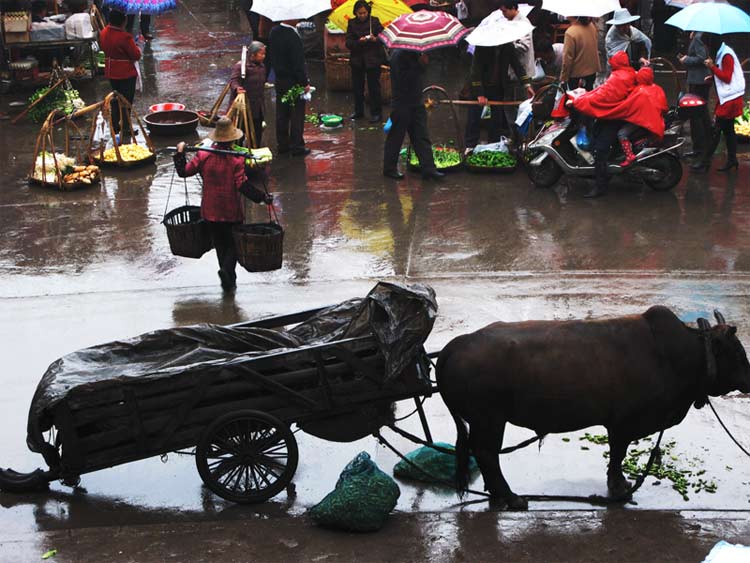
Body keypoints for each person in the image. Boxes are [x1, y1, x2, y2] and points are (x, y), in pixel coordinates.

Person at [173, 118, 272, 291]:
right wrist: (263, 197)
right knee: (233, 243)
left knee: (220, 244)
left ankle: (227, 279)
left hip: (210, 211)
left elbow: (184, 171)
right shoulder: (236, 161)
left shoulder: (203, 155)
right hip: (231, 211)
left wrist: (180, 153)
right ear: (233, 139)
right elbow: (242, 185)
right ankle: (227, 272)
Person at [571, 51, 637, 197]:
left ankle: (600, 186)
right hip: (617, 114)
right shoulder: (627, 73)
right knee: (595, 134)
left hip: (615, 116)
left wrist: (581, 101)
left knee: (600, 150)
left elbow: (604, 95)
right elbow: (603, 90)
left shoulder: (619, 77)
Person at [383, 49, 443, 180]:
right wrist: (420, 64)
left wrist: (421, 62)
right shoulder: (398, 56)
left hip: (416, 101)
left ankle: (429, 169)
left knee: (421, 136)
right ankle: (389, 169)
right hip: (402, 103)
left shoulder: (414, 53)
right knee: (396, 137)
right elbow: (404, 79)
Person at [465, 42, 533, 151]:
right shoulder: (482, 46)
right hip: (480, 85)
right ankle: (470, 146)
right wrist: (480, 94)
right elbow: (475, 71)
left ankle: (494, 145)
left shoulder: (508, 46)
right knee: (474, 118)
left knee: (496, 119)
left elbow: (517, 65)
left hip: (497, 87)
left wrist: (527, 85)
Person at [692, 39, 746, 173]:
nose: (705, 48)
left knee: (716, 131)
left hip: (730, 98)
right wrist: (713, 77)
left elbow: (727, 77)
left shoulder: (726, 55)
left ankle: (704, 162)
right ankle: (732, 160)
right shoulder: (721, 53)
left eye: (706, 45)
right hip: (727, 97)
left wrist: (712, 67)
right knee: (728, 130)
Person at [609, 67, 668, 167]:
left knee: (621, 133)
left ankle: (629, 156)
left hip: (643, 121)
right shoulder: (657, 88)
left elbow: (627, 107)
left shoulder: (639, 91)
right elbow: (664, 107)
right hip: (655, 120)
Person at [268, 19, 311, 156]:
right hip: (293, 82)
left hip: (279, 80)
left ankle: (283, 144)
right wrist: (304, 83)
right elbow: (298, 64)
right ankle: (297, 146)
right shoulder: (293, 36)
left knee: (282, 113)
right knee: (296, 114)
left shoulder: (273, 32)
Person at [99, 9, 141, 136]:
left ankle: (115, 125)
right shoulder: (125, 37)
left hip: (111, 71)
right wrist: (137, 45)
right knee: (126, 101)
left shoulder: (104, 32)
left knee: (116, 99)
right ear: (123, 21)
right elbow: (136, 55)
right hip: (125, 73)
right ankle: (127, 127)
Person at [498, 0, 535, 139]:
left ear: (513, 8)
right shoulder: (509, 22)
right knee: (509, 104)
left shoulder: (523, 24)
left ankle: (520, 136)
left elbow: (524, 46)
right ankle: (514, 134)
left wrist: (508, 44)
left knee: (520, 106)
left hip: (521, 71)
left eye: (505, 11)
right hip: (512, 72)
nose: (504, 14)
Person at [345, 0, 385, 124]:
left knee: (374, 88)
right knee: (357, 88)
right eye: (360, 13)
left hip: (373, 60)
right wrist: (359, 42)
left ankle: (376, 113)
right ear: (355, 13)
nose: (362, 15)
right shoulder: (351, 23)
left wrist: (375, 39)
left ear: (368, 12)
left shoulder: (375, 21)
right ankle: (359, 111)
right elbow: (348, 43)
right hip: (357, 60)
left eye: (364, 13)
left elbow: (384, 38)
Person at [678, 32, 711, 158]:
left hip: (698, 81)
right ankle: (706, 144)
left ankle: (699, 148)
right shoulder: (698, 36)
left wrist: (686, 60)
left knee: (696, 115)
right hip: (700, 80)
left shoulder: (698, 38)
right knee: (702, 113)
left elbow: (702, 58)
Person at [227, 41, 267, 147]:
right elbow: (233, 81)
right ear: (253, 55)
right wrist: (238, 89)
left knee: (257, 132)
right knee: (239, 133)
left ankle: (254, 149)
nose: (264, 56)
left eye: (264, 54)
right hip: (243, 108)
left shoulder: (262, 67)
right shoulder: (240, 66)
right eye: (261, 54)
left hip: (257, 106)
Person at [560, 16, 600, 91]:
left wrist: (564, 78)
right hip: (592, 70)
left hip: (577, 74)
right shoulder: (591, 26)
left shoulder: (570, 32)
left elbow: (567, 58)